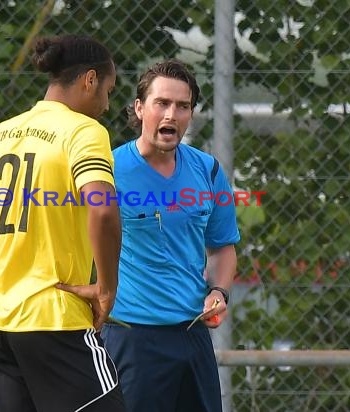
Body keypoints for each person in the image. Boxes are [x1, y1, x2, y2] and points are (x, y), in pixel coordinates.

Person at [0, 34, 126, 412]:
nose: (106, 103)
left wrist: (2, 267)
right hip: (55, 319)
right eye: (109, 90)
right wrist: (106, 287)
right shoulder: (84, 131)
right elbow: (102, 208)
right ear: (89, 80)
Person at [63, 59, 240, 412]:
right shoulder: (106, 171)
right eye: (162, 103)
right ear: (140, 108)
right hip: (130, 337)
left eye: (182, 106)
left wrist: (219, 291)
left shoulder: (208, 170)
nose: (171, 115)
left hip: (193, 337)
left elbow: (222, 248)